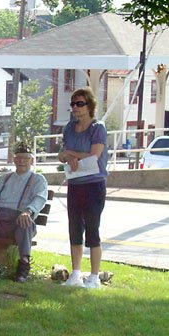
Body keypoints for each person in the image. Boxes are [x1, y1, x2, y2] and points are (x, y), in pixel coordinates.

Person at [0, 142, 48, 282]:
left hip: (19, 219)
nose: (21, 161)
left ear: (31, 160)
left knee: (25, 222)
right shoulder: (4, 178)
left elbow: (40, 198)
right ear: (14, 160)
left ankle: (24, 265)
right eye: (18, 157)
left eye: (25, 158)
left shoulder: (38, 179)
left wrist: (28, 211)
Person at [58, 87, 108, 288]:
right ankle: (76, 273)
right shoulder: (69, 128)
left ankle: (94, 275)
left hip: (94, 184)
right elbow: (63, 153)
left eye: (80, 104)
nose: (75, 108)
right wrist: (67, 156)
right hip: (75, 183)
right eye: (73, 104)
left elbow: (94, 154)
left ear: (90, 106)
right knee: (74, 228)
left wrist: (71, 153)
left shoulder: (98, 128)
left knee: (92, 229)